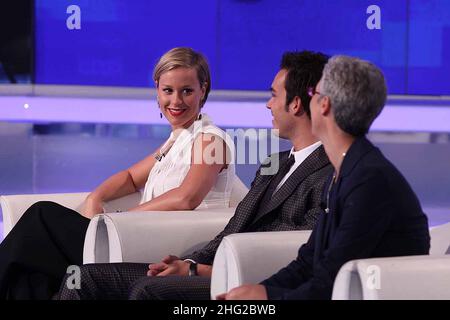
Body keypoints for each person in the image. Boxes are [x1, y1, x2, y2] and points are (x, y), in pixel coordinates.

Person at [56, 50, 333, 300]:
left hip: (249, 278)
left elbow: (296, 249)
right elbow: (234, 228)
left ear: (296, 104)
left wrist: (196, 270)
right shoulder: (275, 163)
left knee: (146, 290)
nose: (268, 105)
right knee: (83, 279)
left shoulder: (329, 173)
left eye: (273, 95)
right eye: (168, 90)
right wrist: (187, 263)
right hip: (209, 264)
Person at [0, 47, 236, 299]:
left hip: (167, 245)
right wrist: (95, 198)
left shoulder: (210, 140)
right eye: (168, 91)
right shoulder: (176, 141)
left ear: (203, 89)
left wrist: (122, 220)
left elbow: (186, 198)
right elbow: (130, 178)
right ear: (157, 89)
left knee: (42, 215)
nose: (176, 101)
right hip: (136, 234)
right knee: (32, 270)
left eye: (187, 91)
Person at [218, 55, 431, 300]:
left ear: (324, 105)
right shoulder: (348, 170)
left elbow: (330, 282)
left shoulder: (369, 181)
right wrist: (260, 290)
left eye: (313, 93)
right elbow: (309, 261)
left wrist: (268, 300)